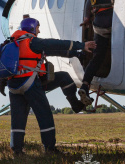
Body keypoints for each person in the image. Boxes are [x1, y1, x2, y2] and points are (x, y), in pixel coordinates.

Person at [6, 18, 95, 156]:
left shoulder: (12, 43)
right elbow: (55, 43)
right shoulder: (33, 42)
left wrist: (75, 53)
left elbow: (54, 50)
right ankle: (50, 149)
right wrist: (81, 45)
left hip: (13, 86)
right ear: (31, 28)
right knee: (45, 115)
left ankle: (16, 150)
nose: (39, 31)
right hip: (31, 84)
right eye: (37, 28)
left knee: (17, 119)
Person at [78, 0, 117, 105]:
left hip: (99, 23)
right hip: (112, 20)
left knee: (97, 57)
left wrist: (86, 18)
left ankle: (85, 85)